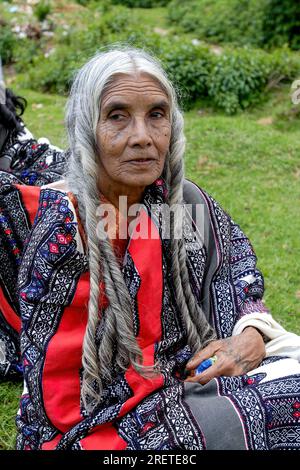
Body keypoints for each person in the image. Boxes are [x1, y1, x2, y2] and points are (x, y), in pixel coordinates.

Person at [1, 46, 300, 450]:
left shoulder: (180, 205)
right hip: (96, 425)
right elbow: (62, 400)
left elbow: (234, 276)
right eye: (117, 116)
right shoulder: (61, 229)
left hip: (188, 381)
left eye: (156, 115)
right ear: (85, 129)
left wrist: (250, 333)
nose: (142, 137)